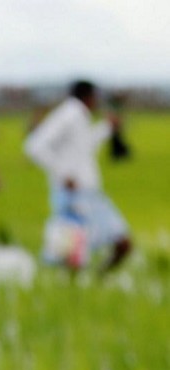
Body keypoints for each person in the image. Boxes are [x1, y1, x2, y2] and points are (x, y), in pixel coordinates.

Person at [24, 80, 132, 272]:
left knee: (82, 253)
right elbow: (34, 146)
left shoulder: (78, 115)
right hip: (74, 195)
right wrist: (64, 174)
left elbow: (84, 147)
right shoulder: (70, 114)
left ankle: (92, 286)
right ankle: (81, 289)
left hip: (86, 192)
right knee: (73, 255)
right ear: (89, 97)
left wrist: (107, 128)